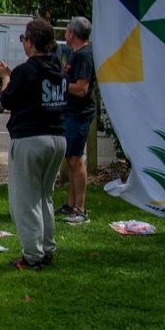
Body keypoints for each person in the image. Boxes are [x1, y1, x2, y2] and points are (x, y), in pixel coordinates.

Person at [0, 18, 68, 271]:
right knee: (45, 196)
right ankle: (47, 248)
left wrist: (4, 77)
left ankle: (32, 255)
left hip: (30, 139)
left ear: (31, 43)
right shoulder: (58, 69)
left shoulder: (26, 70)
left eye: (24, 39)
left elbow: (7, 100)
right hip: (57, 138)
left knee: (25, 200)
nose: (23, 43)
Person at [57, 16, 96, 225]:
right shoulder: (76, 54)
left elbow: (82, 89)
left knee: (76, 159)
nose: (65, 32)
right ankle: (71, 204)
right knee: (70, 158)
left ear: (72, 33)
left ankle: (80, 208)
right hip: (70, 112)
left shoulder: (85, 56)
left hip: (79, 114)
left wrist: (60, 82)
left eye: (67, 29)